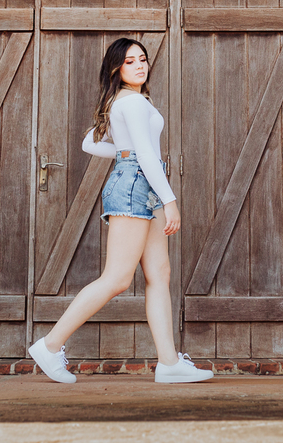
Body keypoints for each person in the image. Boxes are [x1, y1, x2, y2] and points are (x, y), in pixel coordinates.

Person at [28, 37, 213, 384]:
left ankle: (169, 362)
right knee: (117, 278)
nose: (140, 65)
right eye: (130, 61)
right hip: (137, 185)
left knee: (159, 274)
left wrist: (124, 153)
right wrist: (170, 199)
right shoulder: (133, 102)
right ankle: (50, 346)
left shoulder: (123, 101)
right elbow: (146, 155)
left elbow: (90, 143)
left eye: (142, 59)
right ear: (116, 68)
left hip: (141, 182)